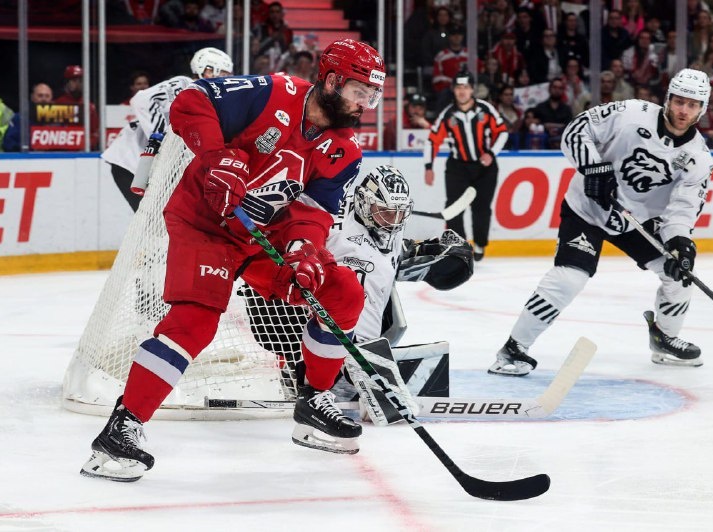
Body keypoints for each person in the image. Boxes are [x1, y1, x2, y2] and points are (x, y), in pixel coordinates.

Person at [80, 38, 387, 481]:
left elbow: (315, 211)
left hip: (265, 235)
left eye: (373, 97)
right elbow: (190, 101)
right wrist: (214, 157)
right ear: (333, 80)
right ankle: (122, 428)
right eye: (360, 93)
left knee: (343, 292)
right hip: (205, 224)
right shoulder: (273, 91)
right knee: (195, 321)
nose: (365, 106)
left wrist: (304, 250)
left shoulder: (344, 150)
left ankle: (313, 401)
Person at [490, 68, 713, 376]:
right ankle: (514, 348)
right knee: (569, 278)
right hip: (588, 209)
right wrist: (593, 169)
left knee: (680, 274)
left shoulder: (699, 157)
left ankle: (665, 337)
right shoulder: (631, 112)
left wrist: (679, 241)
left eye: (692, 104)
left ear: (702, 108)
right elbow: (576, 129)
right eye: (679, 101)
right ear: (668, 99)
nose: (683, 110)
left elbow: (683, 207)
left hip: (637, 222)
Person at [243, 165, 474, 426]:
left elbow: (383, 264)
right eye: (385, 212)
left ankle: (333, 375)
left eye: (398, 214)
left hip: (355, 339)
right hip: (307, 321)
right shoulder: (333, 222)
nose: (392, 221)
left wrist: (434, 255)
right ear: (364, 203)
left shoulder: (386, 228)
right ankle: (302, 373)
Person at [102, 47, 233, 212]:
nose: (226, 79)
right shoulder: (184, 84)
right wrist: (162, 139)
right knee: (151, 221)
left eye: (228, 75)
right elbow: (141, 100)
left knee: (165, 220)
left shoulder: (210, 102)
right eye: (223, 73)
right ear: (206, 70)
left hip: (154, 168)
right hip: (129, 160)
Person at [424, 70, 508, 262]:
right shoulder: (447, 114)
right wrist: (428, 167)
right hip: (457, 167)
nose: (462, 92)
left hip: (485, 167)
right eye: (459, 88)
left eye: (466, 88)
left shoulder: (485, 109)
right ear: (454, 90)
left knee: (482, 207)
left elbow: (502, 132)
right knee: (453, 208)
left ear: (472, 90)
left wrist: (492, 153)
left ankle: (479, 244)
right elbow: (432, 141)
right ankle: (458, 246)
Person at [54, 65, 99, 148]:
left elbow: (95, 133)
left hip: (83, 150)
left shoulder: (89, 106)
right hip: (62, 148)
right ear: (67, 83)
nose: (78, 84)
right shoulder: (58, 103)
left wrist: (84, 144)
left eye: (80, 81)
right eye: (74, 80)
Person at [2, 82, 53, 152]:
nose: (44, 99)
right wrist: (30, 149)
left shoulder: (58, 120)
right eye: (40, 96)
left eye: (47, 96)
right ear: (32, 97)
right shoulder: (20, 119)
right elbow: (8, 143)